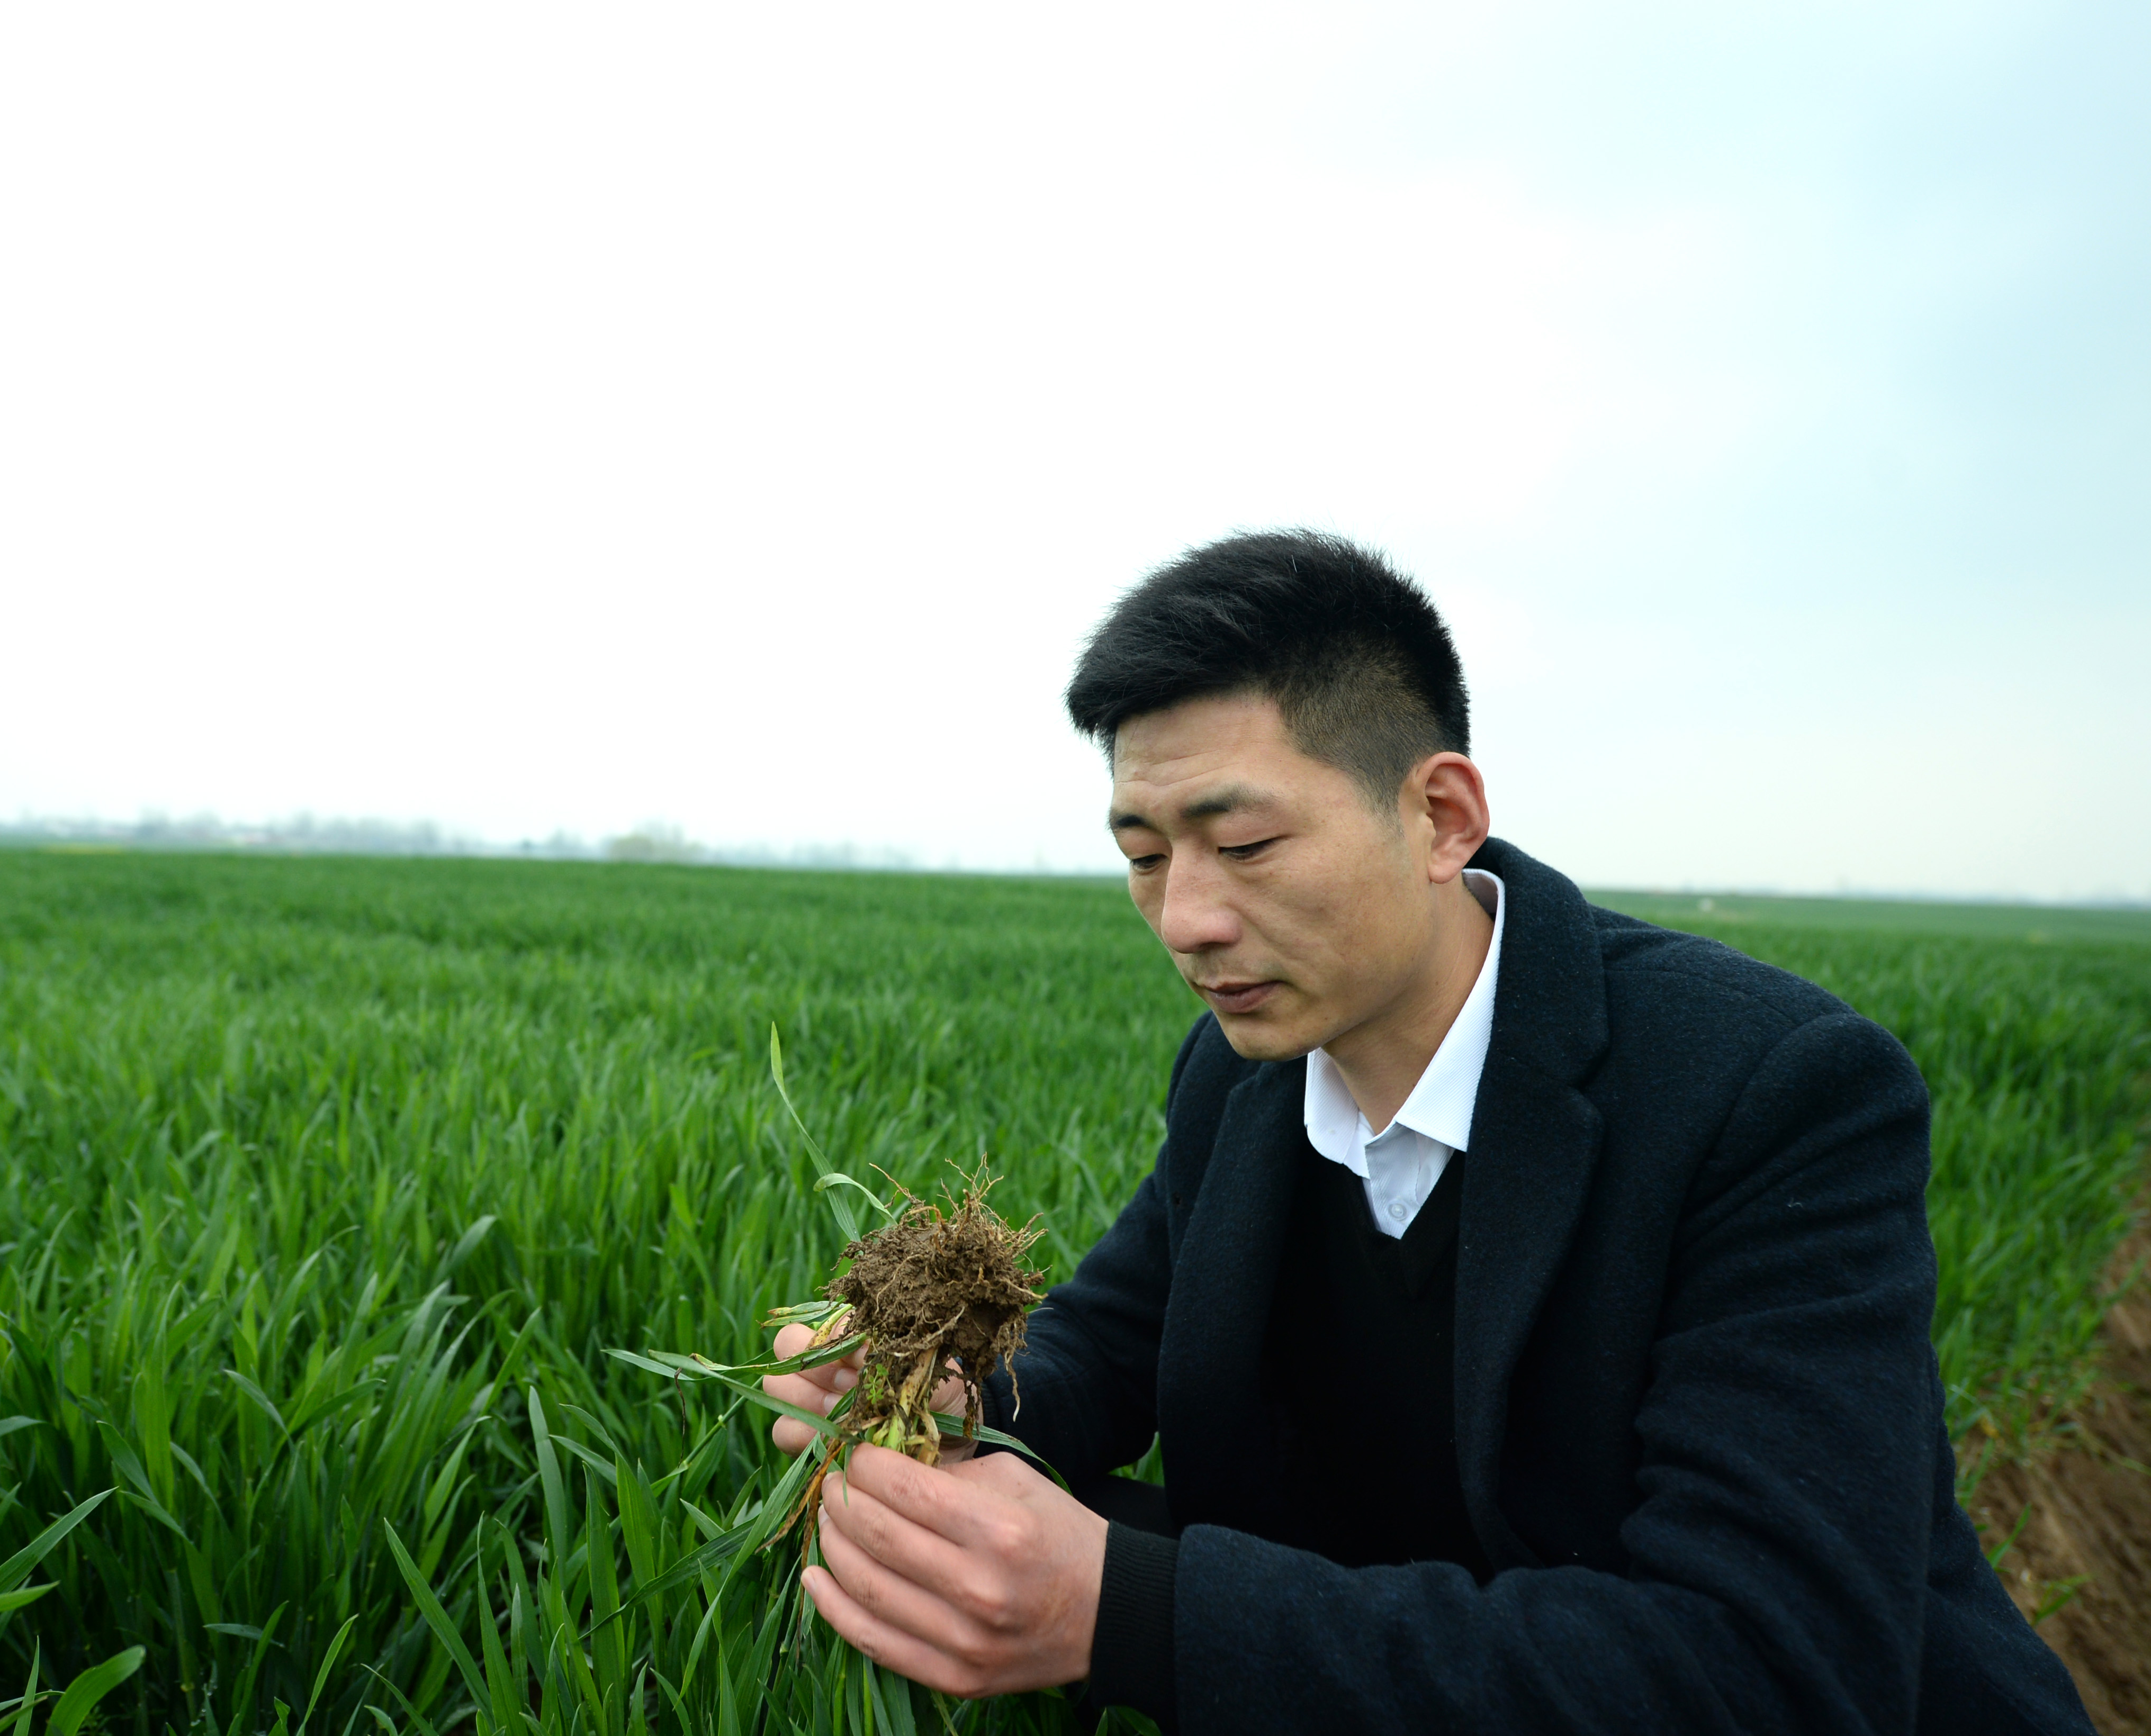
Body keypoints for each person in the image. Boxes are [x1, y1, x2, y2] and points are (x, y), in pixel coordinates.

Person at [763, 532, 2092, 1734]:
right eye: (1146, 852)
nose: (1184, 921)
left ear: (1441, 815)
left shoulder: (1768, 1090)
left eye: (1245, 842)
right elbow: (1119, 1334)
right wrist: (952, 1389)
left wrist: (1129, 1613)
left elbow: (1766, 1666)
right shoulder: (1244, 1074)